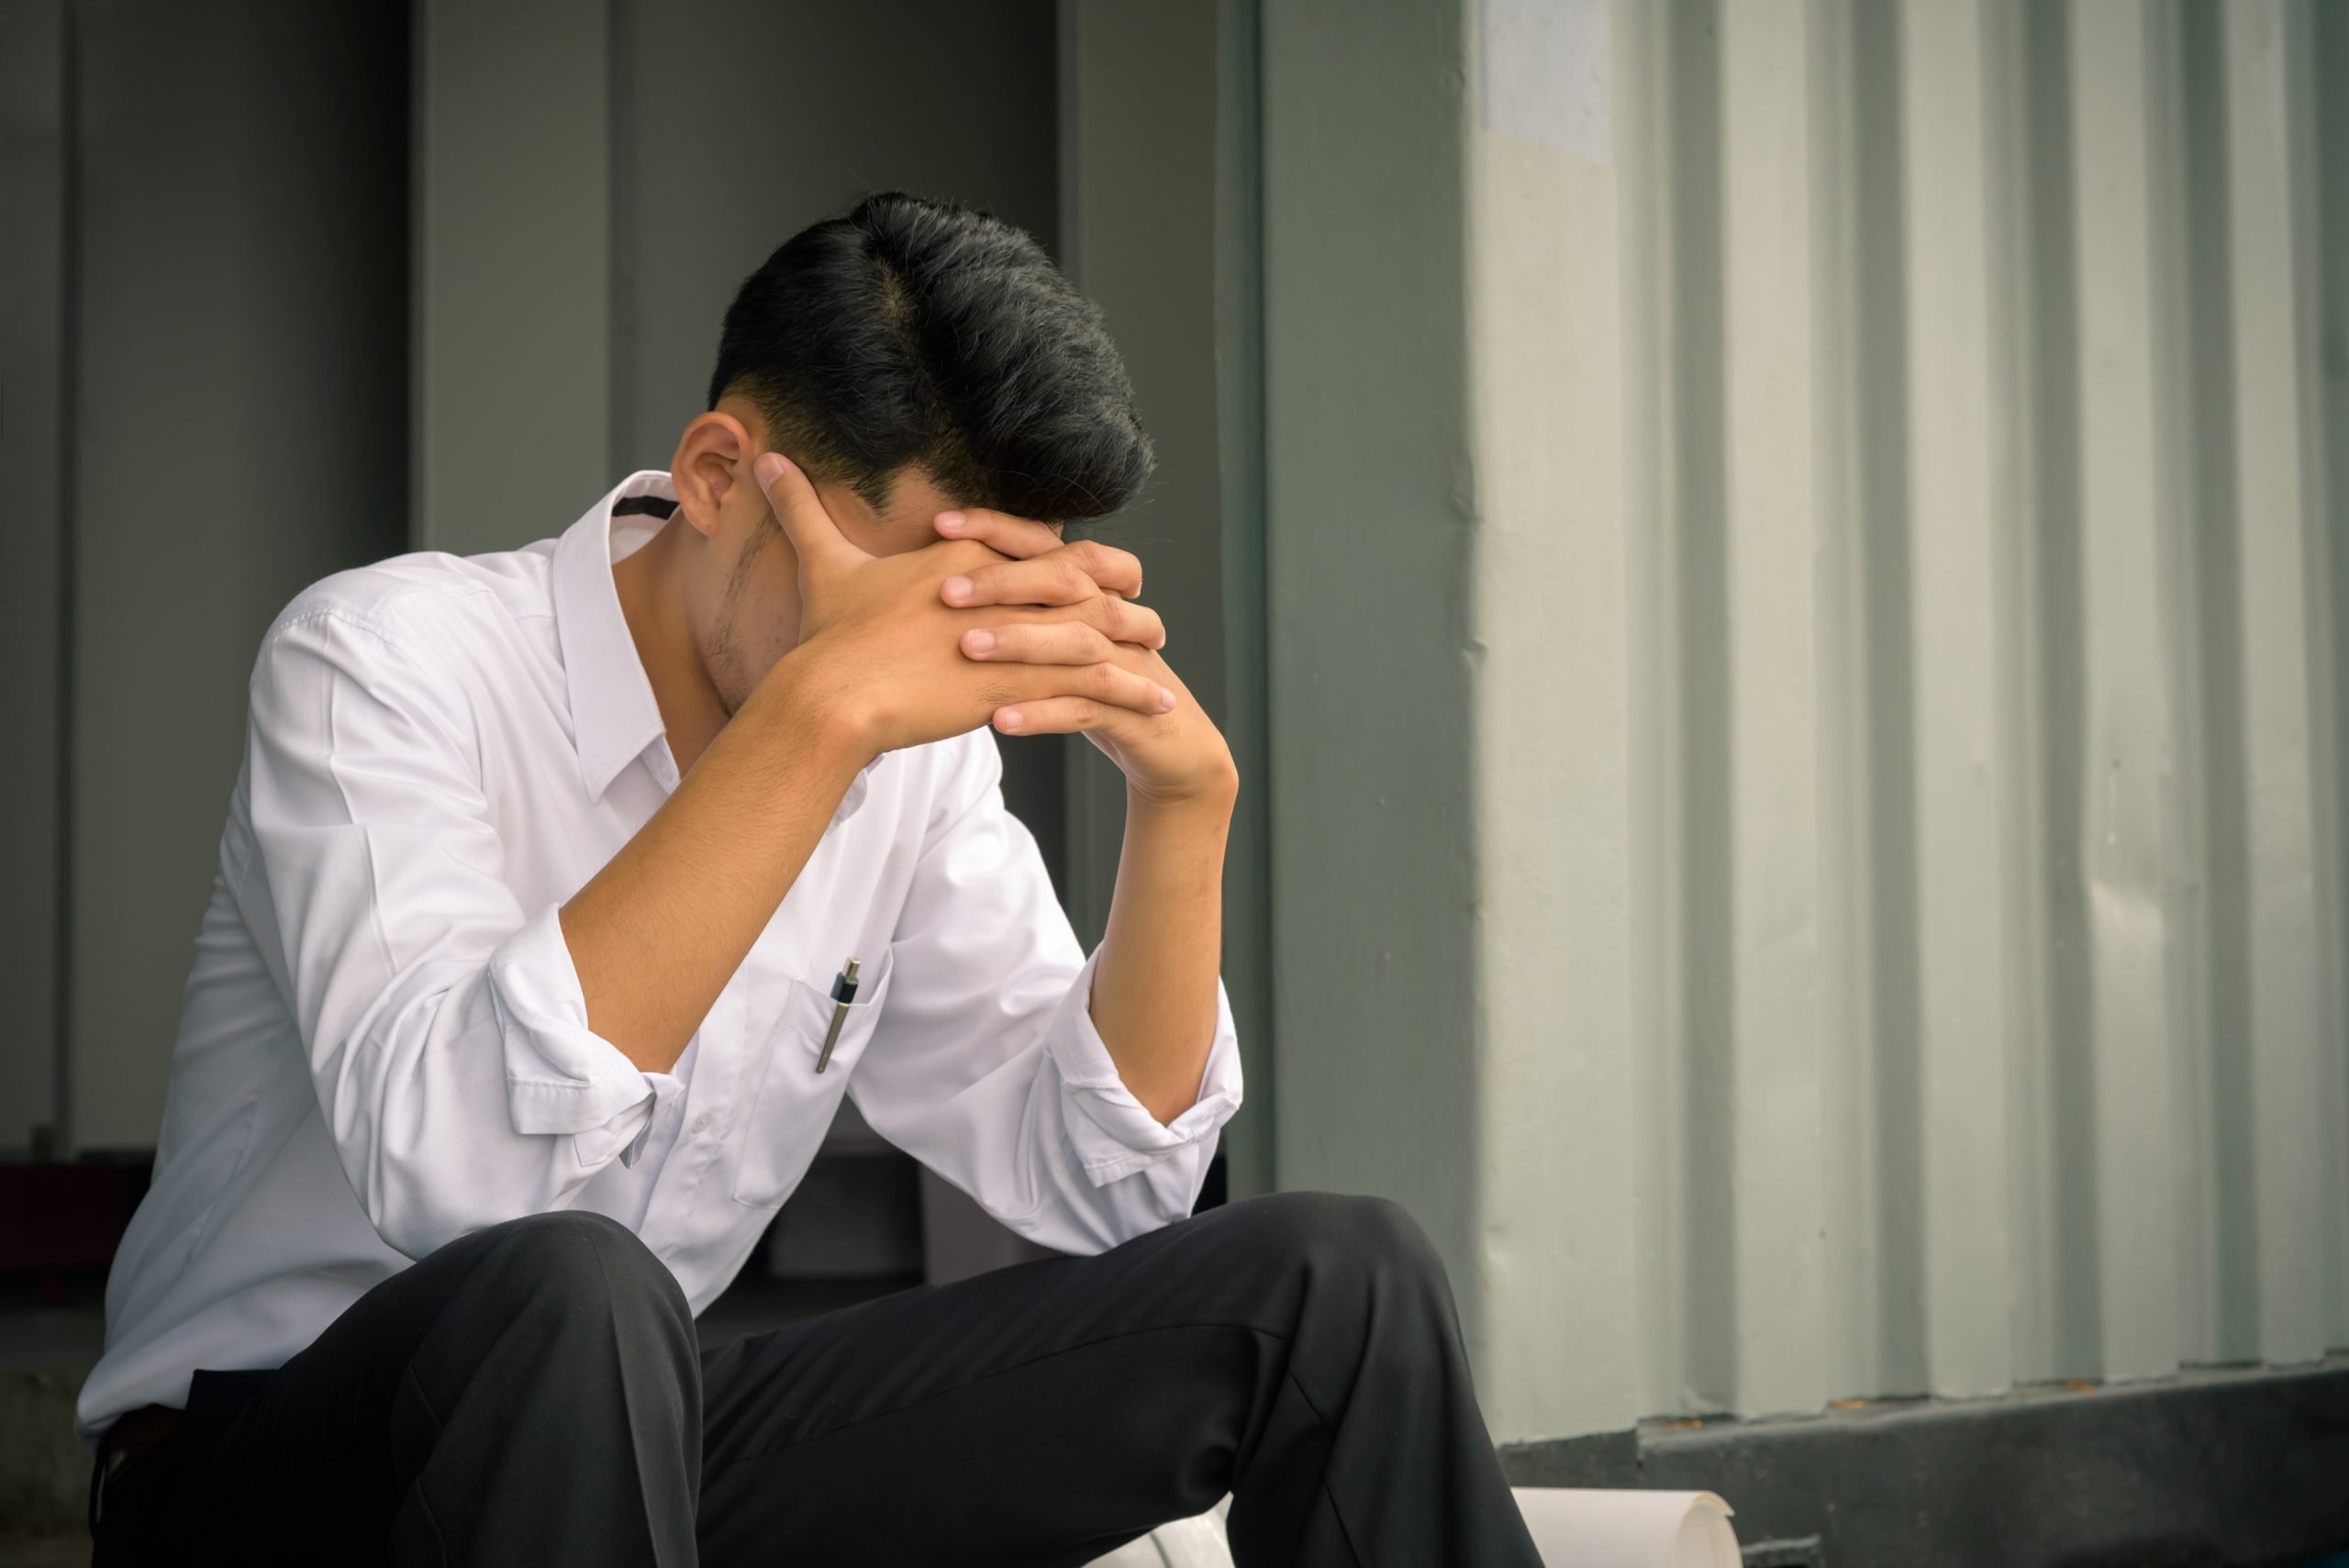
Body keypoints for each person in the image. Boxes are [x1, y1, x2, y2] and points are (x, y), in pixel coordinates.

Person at [78, 192, 1544, 1566]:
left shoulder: (908, 758)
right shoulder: (387, 661)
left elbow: (1102, 1196)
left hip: (630, 1450)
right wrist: (817, 715)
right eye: (920, 596)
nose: (953, 659)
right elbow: (457, 1176)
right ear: (720, 476)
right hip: (262, 1468)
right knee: (575, 1292)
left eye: (1005, 599)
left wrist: (1185, 812)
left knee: (1337, 1279)